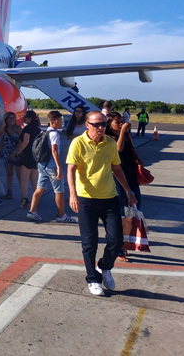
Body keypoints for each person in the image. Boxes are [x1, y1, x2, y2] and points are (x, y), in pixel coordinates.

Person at [67, 111, 138, 296]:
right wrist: (73, 195)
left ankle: (104, 267)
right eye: (96, 124)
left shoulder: (110, 143)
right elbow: (71, 169)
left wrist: (129, 191)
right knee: (89, 242)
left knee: (116, 241)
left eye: (103, 124)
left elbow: (117, 168)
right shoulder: (78, 143)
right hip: (86, 199)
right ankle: (92, 279)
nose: (100, 128)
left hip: (109, 197)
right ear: (87, 125)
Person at [27, 111, 77, 223]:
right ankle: (61, 215)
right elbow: (54, 151)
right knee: (59, 190)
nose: (62, 123)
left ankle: (32, 211)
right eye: (60, 121)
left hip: (42, 164)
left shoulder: (44, 131)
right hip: (52, 166)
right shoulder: (54, 134)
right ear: (55, 121)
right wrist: (59, 167)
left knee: (40, 188)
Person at [106, 111, 142, 262]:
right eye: (117, 122)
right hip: (117, 176)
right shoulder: (108, 138)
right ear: (109, 124)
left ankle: (127, 241)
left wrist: (138, 160)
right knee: (120, 211)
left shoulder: (126, 135)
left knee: (135, 206)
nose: (121, 124)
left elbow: (131, 150)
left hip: (130, 173)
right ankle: (118, 248)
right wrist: (122, 132)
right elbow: (118, 150)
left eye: (122, 121)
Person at [11, 110, 41, 208]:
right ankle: (37, 198)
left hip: (27, 156)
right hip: (36, 156)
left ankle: (25, 199)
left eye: (25, 118)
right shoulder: (38, 129)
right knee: (34, 179)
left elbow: (25, 141)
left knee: (24, 179)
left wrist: (18, 152)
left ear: (29, 119)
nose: (24, 119)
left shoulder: (27, 129)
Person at [1, 112, 21, 200]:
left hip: (16, 153)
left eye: (13, 118)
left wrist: (16, 152)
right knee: (9, 174)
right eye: (9, 118)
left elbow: (22, 141)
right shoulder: (4, 129)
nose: (11, 120)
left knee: (19, 174)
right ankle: (9, 192)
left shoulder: (18, 128)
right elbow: (1, 141)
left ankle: (23, 194)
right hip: (6, 153)